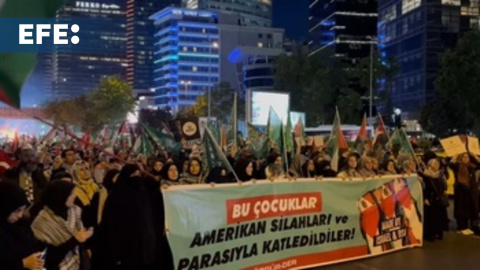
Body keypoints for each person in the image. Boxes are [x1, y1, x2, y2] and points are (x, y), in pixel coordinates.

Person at [93, 164, 157, 269]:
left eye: (138, 174)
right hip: (125, 244)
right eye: (133, 174)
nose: (136, 177)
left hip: (144, 242)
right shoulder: (116, 195)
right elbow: (111, 224)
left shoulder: (143, 191)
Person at [31, 181, 94, 269]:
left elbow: (82, 233)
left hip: (79, 263)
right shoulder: (42, 222)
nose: (75, 196)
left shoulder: (75, 211)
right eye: (71, 194)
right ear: (60, 196)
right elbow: (46, 257)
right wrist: (75, 240)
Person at [0, 181, 45, 270]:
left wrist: (37, 260)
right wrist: (22, 263)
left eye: (22, 210)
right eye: (17, 210)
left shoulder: (22, 225)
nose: (20, 215)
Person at [449, 152, 479, 235]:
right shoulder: (458, 166)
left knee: (468, 210)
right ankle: (461, 227)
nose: (466, 159)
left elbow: (478, 164)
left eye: (467, 157)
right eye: (464, 157)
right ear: (460, 158)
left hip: (469, 192)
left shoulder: (471, 166)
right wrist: (455, 155)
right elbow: (451, 164)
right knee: (461, 210)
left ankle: (466, 227)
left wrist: (474, 155)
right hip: (461, 191)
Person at [422, 158, 448, 241]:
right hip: (431, 199)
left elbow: (444, 186)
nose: (436, 165)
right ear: (429, 165)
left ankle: (439, 233)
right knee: (431, 217)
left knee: (439, 217)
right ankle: (431, 235)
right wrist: (425, 198)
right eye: (434, 163)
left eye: (437, 163)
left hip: (439, 199)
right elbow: (425, 188)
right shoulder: (426, 175)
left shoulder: (440, 175)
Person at [71, 160, 102, 228]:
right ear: (76, 173)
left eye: (87, 168)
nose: (85, 172)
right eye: (81, 170)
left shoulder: (94, 185)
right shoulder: (76, 189)